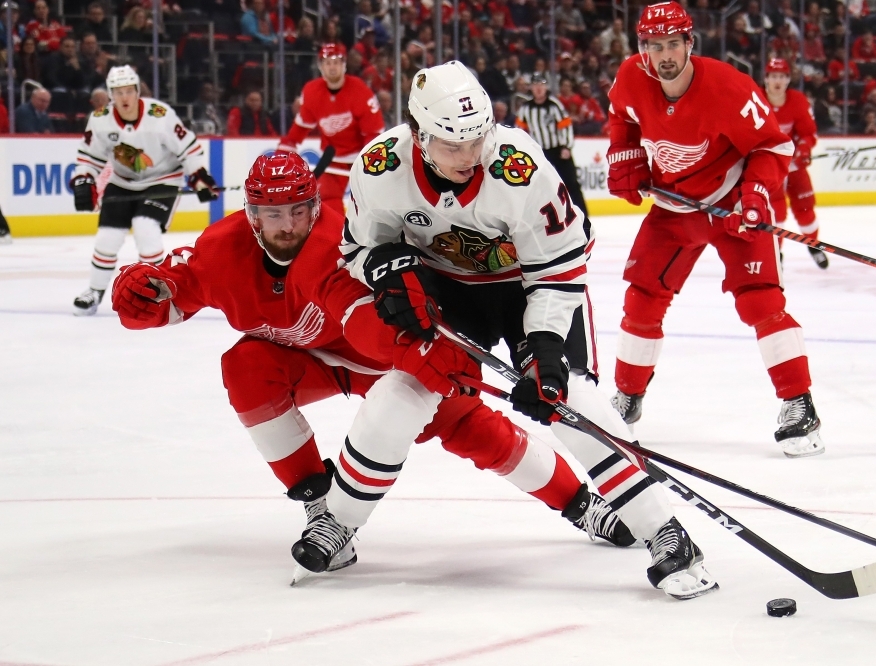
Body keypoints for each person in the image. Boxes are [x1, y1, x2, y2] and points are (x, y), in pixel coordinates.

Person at [110, 152, 634, 579]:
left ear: (315, 205)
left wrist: (419, 351)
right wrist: (141, 293)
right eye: (273, 214)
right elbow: (172, 288)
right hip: (304, 361)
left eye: (298, 210)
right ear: (251, 215)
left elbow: (360, 315)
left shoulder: (333, 243)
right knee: (245, 366)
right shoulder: (221, 250)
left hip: (379, 358)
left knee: (474, 430)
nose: (288, 225)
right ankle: (324, 509)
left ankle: (580, 504)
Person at [341, 61, 719, 600]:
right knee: (403, 394)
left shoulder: (518, 164)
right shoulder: (380, 167)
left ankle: (665, 531)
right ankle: (337, 523)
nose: (471, 157)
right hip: (447, 292)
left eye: (478, 139)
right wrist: (387, 273)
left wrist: (542, 346)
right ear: (419, 133)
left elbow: (561, 265)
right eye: (453, 146)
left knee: (574, 402)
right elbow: (358, 250)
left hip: (527, 290)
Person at [603, 3, 823, 458]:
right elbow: (622, 117)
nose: (664, 55)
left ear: (689, 44)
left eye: (672, 44)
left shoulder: (728, 87)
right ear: (643, 49)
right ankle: (627, 397)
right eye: (654, 46)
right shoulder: (630, 77)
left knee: (761, 300)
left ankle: (798, 403)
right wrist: (624, 154)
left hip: (729, 204)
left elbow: (774, 145)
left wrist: (756, 193)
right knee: (641, 299)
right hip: (673, 207)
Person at [68, 65, 218, 316]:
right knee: (107, 237)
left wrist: (200, 179)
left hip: (163, 179)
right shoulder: (100, 119)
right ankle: (95, 291)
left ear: (138, 91)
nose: (124, 97)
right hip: (123, 180)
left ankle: (160, 289)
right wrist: (84, 179)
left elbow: (188, 150)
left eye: (129, 91)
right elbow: (89, 158)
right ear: (110, 94)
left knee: (145, 228)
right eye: (118, 92)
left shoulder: (160, 116)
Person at [277, 43, 384, 212]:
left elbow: (373, 135)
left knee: (372, 205)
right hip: (333, 160)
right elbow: (298, 131)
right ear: (320, 67)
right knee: (326, 202)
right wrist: (280, 158)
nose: (332, 67)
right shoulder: (312, 91)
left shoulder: (360, 91)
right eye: (327, 63)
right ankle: (338, 238)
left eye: (336, 62)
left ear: (344, 65)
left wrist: (368, 164)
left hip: (363, 158)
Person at [763, 58, 827, 269]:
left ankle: (813, 245)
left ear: (789, 79)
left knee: (805, 209)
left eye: (782, 76)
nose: (777, 81)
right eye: (773, 76)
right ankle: (775, 253)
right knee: (774, 212)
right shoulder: (756, 101)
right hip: (769, 168)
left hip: (793, 166)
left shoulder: (798, 101)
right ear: (766, 79)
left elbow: (808, 133)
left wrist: (803, 149)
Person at [515, 73, 588, 216]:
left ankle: (583, 217)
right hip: (539, 153)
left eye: (541, 85)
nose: (538, 89)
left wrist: (566, 146)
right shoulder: (526, 109)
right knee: (537, 187)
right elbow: (520, 131)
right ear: (531, 88)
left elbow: (566, 126)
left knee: (571, 184)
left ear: (546, 87)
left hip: (558, 151)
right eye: (535, 85)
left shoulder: (554, 106)